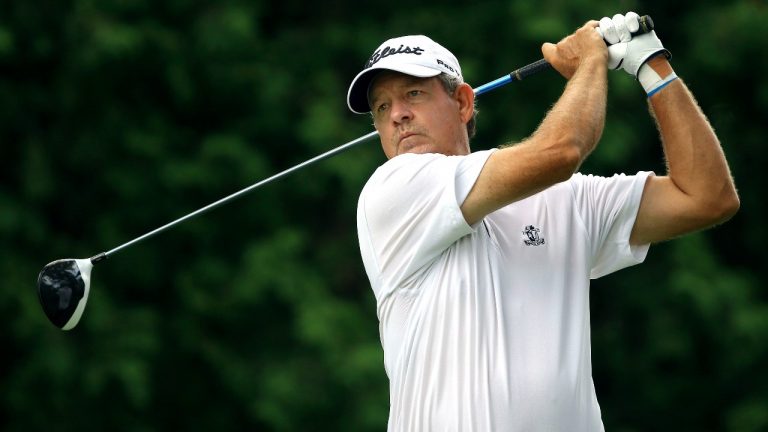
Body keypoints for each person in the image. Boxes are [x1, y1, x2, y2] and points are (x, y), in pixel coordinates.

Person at [347, 12, 739, 432]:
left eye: (413, 94)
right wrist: (589, 63)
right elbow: (561, 153)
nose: (397, 115)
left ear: (462, 102)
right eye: (382, 106)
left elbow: (707, 197)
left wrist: (650, 64)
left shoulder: (566, 199)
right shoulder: (393, 189)